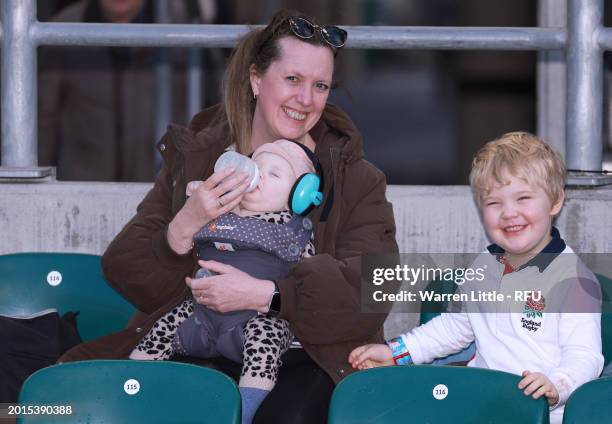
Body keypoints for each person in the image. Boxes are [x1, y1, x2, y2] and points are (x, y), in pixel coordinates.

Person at [59, 9, 398, 424]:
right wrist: (186, 224)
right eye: (292, 79)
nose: (306, 100)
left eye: (320, 85)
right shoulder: (199, 157)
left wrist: (269, 295)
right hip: (195, 345)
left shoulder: (355, 178)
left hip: (304, 358)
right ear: (256, 79)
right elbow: (123, 268)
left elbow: (374, 291)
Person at [349, 132, 603, 424]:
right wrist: (397, 353)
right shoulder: (484, 265)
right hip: (480, 405)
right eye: (494, 203)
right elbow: (457, 326)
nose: (509, 213)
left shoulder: (573, 280)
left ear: (555, 201)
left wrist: (558, 385)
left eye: (523, 198)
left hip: (544, 416)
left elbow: (585, 355)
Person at [129, 139, 320, 423]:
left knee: (265, 341)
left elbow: (336, 286)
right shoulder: (219, 209)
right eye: (256, 167)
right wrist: (189, 213)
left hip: (255, 319)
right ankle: (131, 386)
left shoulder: (293, 229)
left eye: (274, 174)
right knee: (163, 327)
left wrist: (269, 296)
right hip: (200, 311)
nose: (257, 177)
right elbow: (121, 266)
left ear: (300, 196)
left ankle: (245, 410)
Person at [37, 0, 189, 181]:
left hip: (163, 191)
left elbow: (210, 108)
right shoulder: (61, 32)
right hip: (82, 194)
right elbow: (43, 121)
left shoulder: (184, 29)